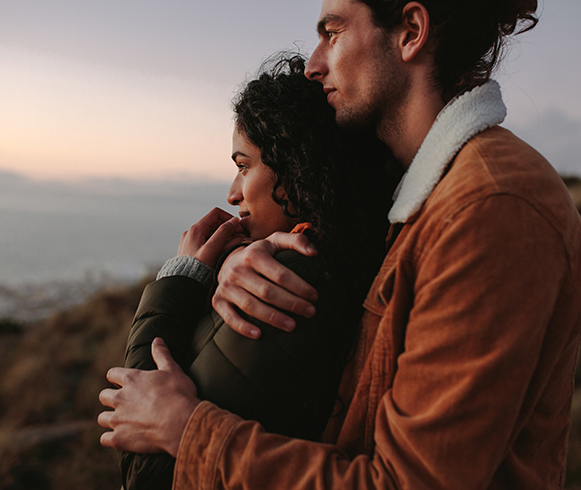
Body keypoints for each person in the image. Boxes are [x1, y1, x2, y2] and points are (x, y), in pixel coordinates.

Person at [99, 1, 581, 488]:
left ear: (410, 31)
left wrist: (188, 433)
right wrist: (244, 255)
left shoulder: (489, 209)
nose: (315, 65)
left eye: (332, 33)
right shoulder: (419, 197)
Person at [116, 55, 398, 489]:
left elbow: (143, 465)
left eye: (243, 166)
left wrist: (180, 277)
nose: (232, 193)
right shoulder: (348, 256)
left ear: (298, 171)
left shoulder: (284, 280)